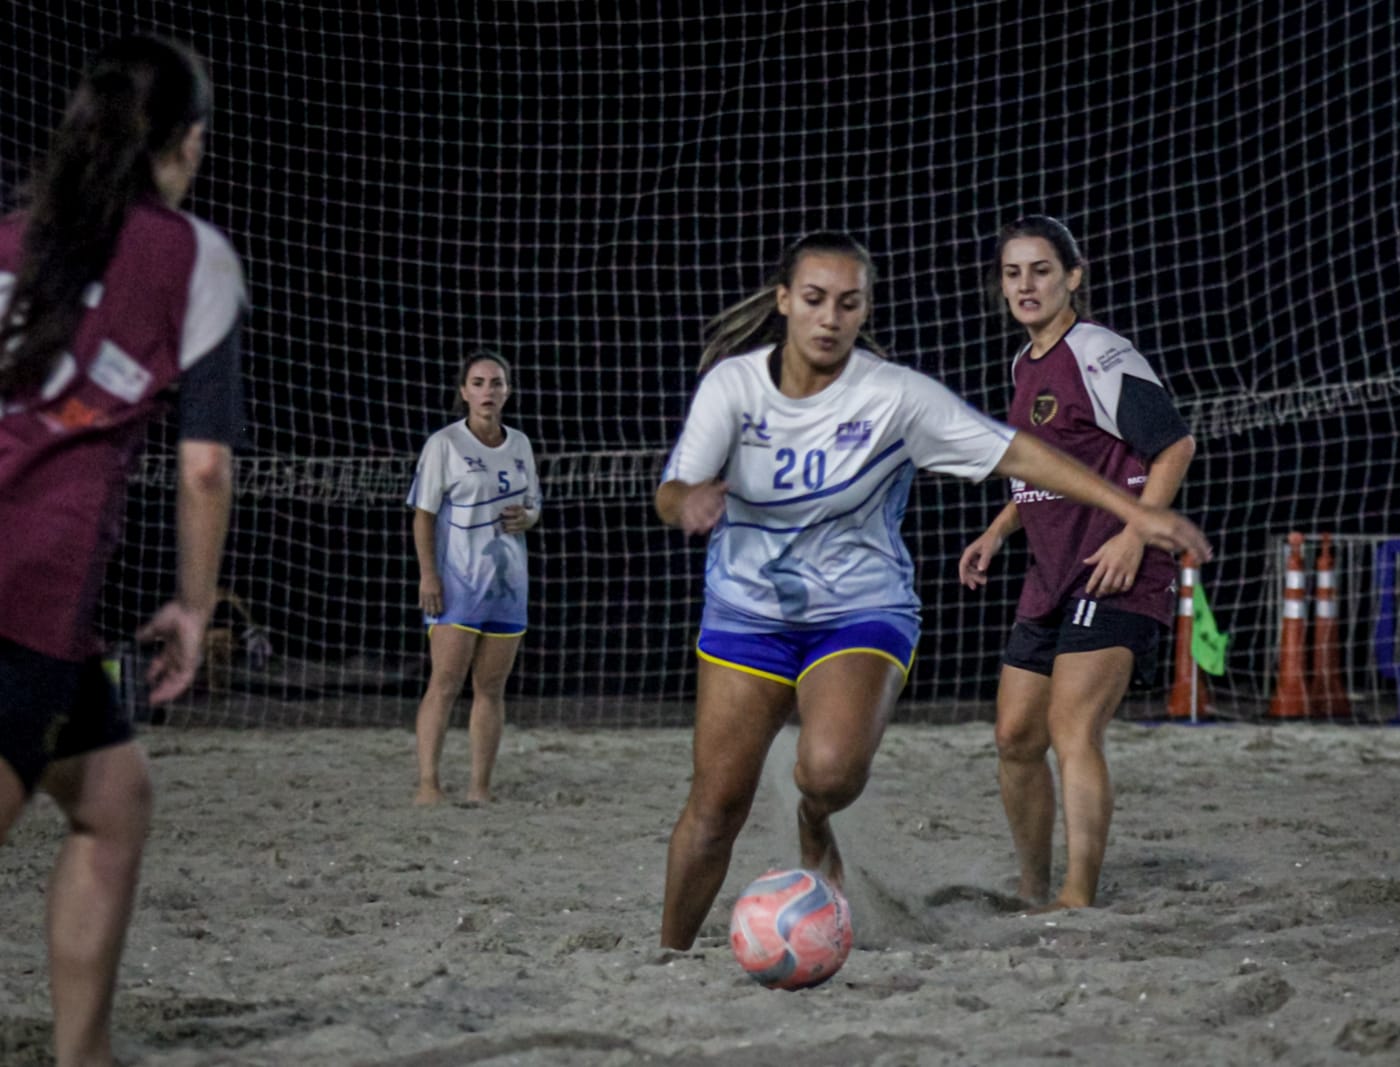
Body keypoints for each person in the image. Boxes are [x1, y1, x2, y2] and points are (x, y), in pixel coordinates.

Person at [656, 231, 1211, 949]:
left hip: (944, 597)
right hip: (765, 611)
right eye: (815, 299)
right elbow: (673, 485)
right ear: (784, 301)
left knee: (853, 767)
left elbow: (1051, 450)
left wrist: (1137, 520)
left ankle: (1068, 893)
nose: (829, 318)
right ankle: (671, 951)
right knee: (722, 802)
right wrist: (685, 502)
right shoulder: (735, 384)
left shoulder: (931, 387)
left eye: (847, 303)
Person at [0, 36, 246, 1067]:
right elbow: (203, 468)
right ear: (186, 143)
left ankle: (85, 1053)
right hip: (27, 585)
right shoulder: (191, 255)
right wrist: (194, 606)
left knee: (112, 796)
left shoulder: (12, 237)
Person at [958, 215, 1198, 912]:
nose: (1026, 284)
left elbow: (1174, 445)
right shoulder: (1022, 363)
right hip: (1049, 574)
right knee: (1014, 736)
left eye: (1040, 269)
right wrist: (1001, 527)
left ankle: (1076, 895)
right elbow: (1052, 470)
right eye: (1013, 273)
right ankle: (1033, 889)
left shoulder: (1096, 349)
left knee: (1072, 728)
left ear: (1073, 275)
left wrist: (1135, 535)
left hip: (1114, 568)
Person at [407, 350, 541, 806]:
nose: (488, 391)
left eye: (497, 383)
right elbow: (423, 517)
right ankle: (428, 785)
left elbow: (533, 506)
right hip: (458, 585)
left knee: (491, 688)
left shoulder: (520, 444)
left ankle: (479, 789)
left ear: (508, 391)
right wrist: (429, 576)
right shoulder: (444, 444)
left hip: (508, 586)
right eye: (479, 383)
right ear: (464, 392)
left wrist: (527, 517)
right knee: (444, 684)